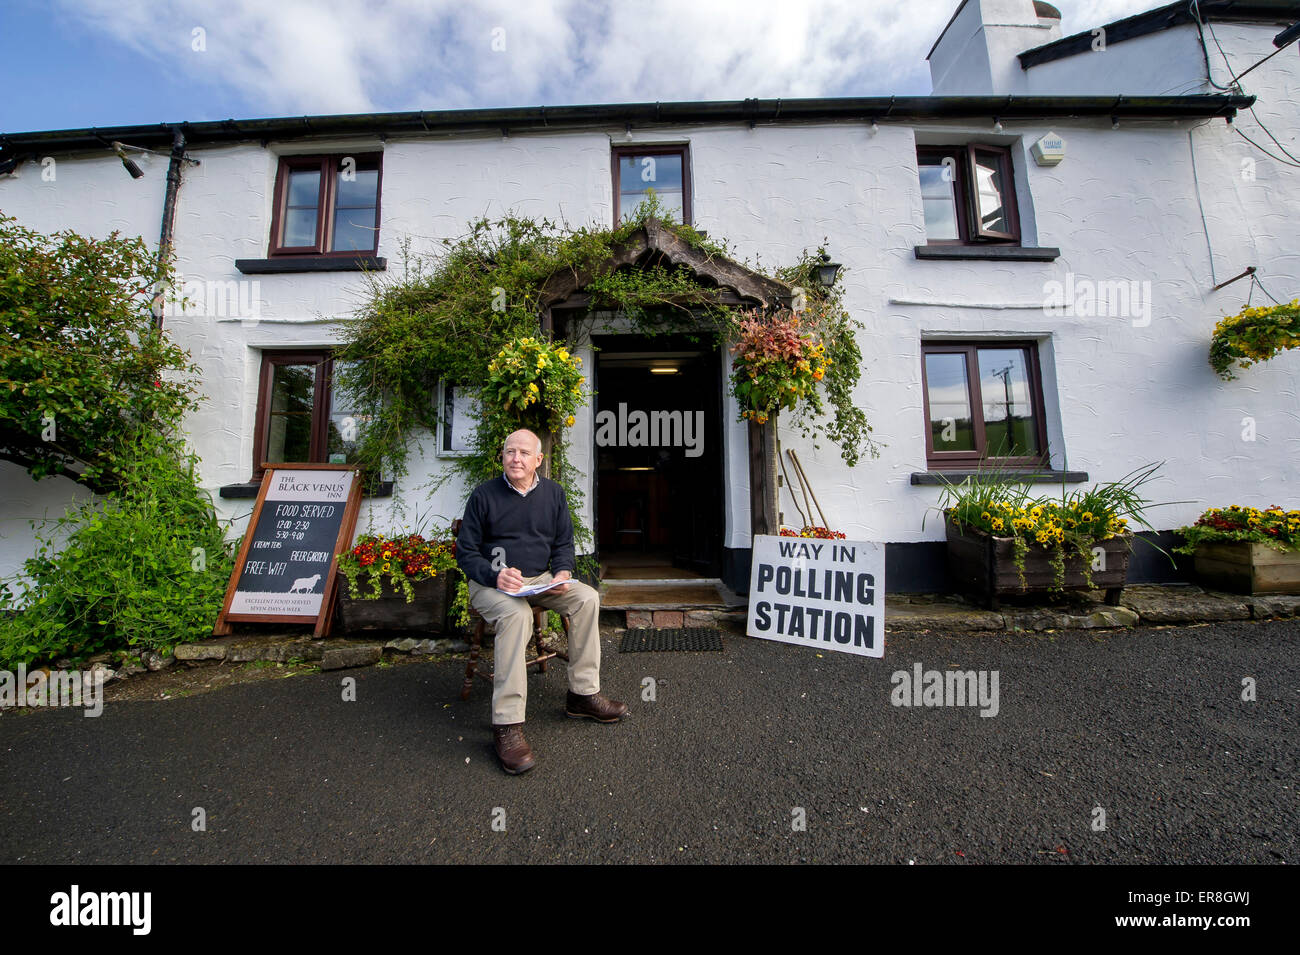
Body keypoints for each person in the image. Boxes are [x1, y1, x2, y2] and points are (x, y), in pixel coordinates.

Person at [456, 428, 627, 774]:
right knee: (517, 616)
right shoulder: (484, 495)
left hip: (538, 579)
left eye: (523, 453)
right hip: (492, 583)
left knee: (587, 598)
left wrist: (563, 572)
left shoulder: (554, 494)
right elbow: (466, 553)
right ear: (502, 457)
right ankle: (506, 725)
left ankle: (582, 694)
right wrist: (495, 575)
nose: (515, 458)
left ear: (539, 460)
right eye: (509, 452)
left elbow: (563, 543)